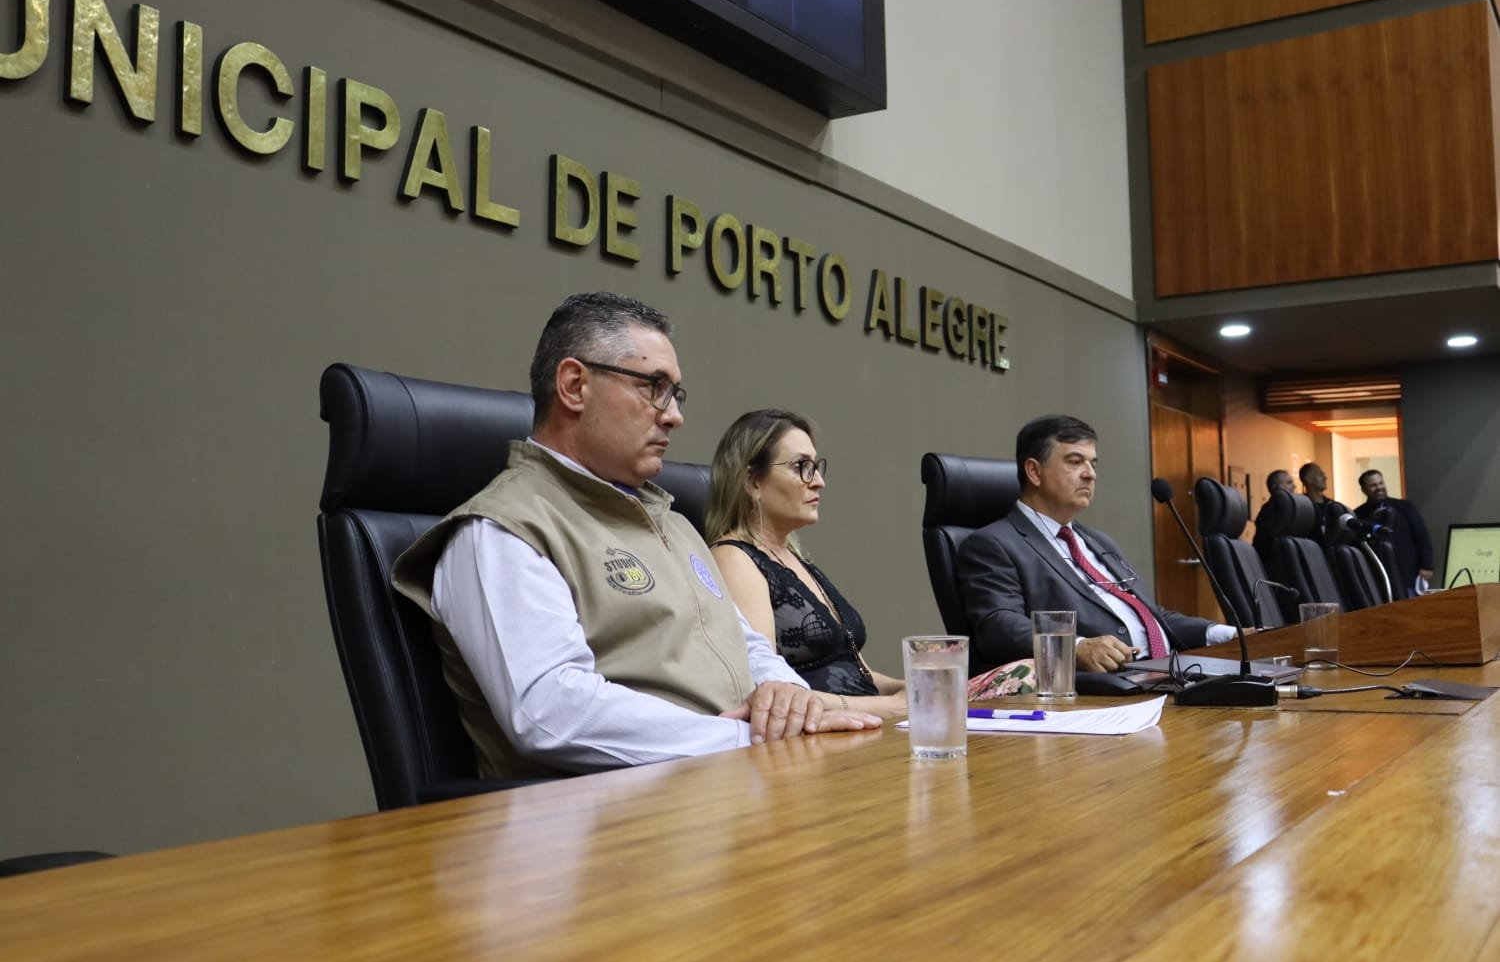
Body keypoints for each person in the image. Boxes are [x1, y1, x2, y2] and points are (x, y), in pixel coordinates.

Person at [391, 292, 879, 780]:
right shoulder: (503, 529)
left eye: (675, 393)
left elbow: (744, 644)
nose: (673, 415)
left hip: (736, 785)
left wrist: (787, 696)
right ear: (574, 386)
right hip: (624, 810)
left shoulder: (673, 524)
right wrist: (745, 740)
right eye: (653, 387)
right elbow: (550, 711)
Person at [956, 414, 1239, 675]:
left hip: (1167, 672)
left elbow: (1151, 615)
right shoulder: (994, 544)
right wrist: (1076, 647)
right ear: (1034, 472)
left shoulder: (1097, 540)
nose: (1090, 474)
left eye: (1093, 463)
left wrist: (1225, 634)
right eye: (1075, 462)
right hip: (1100, 686)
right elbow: (998, 624)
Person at [705, 409, 907, 718]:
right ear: (752, 481)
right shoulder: (735, 559)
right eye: (802, 467)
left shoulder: (792, 558)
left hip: (857, 726)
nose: (819, 482)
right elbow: (768, 693)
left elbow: (857, 673)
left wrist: (917, 687)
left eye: (816, 467)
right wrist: (891, 706)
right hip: (810, 736)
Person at [1354, 470, 1434, 597]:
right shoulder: (1358, 515)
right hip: (1377, 577)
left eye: (1381, 483)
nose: (1379, 488)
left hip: (1408, 575)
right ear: (1364, 490)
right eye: (1373, 485)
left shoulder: (1405, 507)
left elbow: (1422, 536)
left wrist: (1427, 566)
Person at [1252, 469, 1295, 568]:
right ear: (1275, 487)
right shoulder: (1270, 510)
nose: (1294, 486)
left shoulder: (1294, 508)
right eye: (1289, 483)